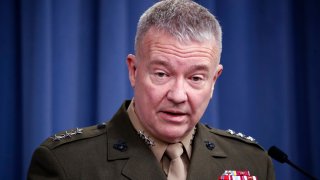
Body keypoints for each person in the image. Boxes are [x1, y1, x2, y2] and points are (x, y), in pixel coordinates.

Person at [28, 0, 275, 179]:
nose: (178, 95)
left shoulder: (252, 163)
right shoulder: (66, 164)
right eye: (161, 74)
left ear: (214, 81)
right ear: (134, 71)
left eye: (196, 78)